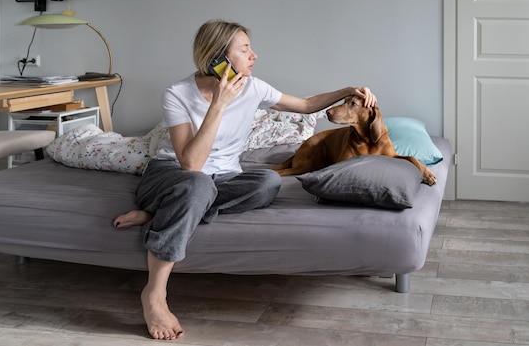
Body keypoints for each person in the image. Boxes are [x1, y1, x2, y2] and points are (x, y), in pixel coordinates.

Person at [113, 19, 377, 340]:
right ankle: (154, 295)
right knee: (197, 185)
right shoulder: (177, 94)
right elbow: (192, 163)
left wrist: (349, 90)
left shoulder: (253, 87)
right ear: (216, 57)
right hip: (173, 175)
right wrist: (219, 105)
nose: (254, 55)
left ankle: (163, 213)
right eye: (244, 49)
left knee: (268, 182)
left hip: (222, 178)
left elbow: (307, 106)